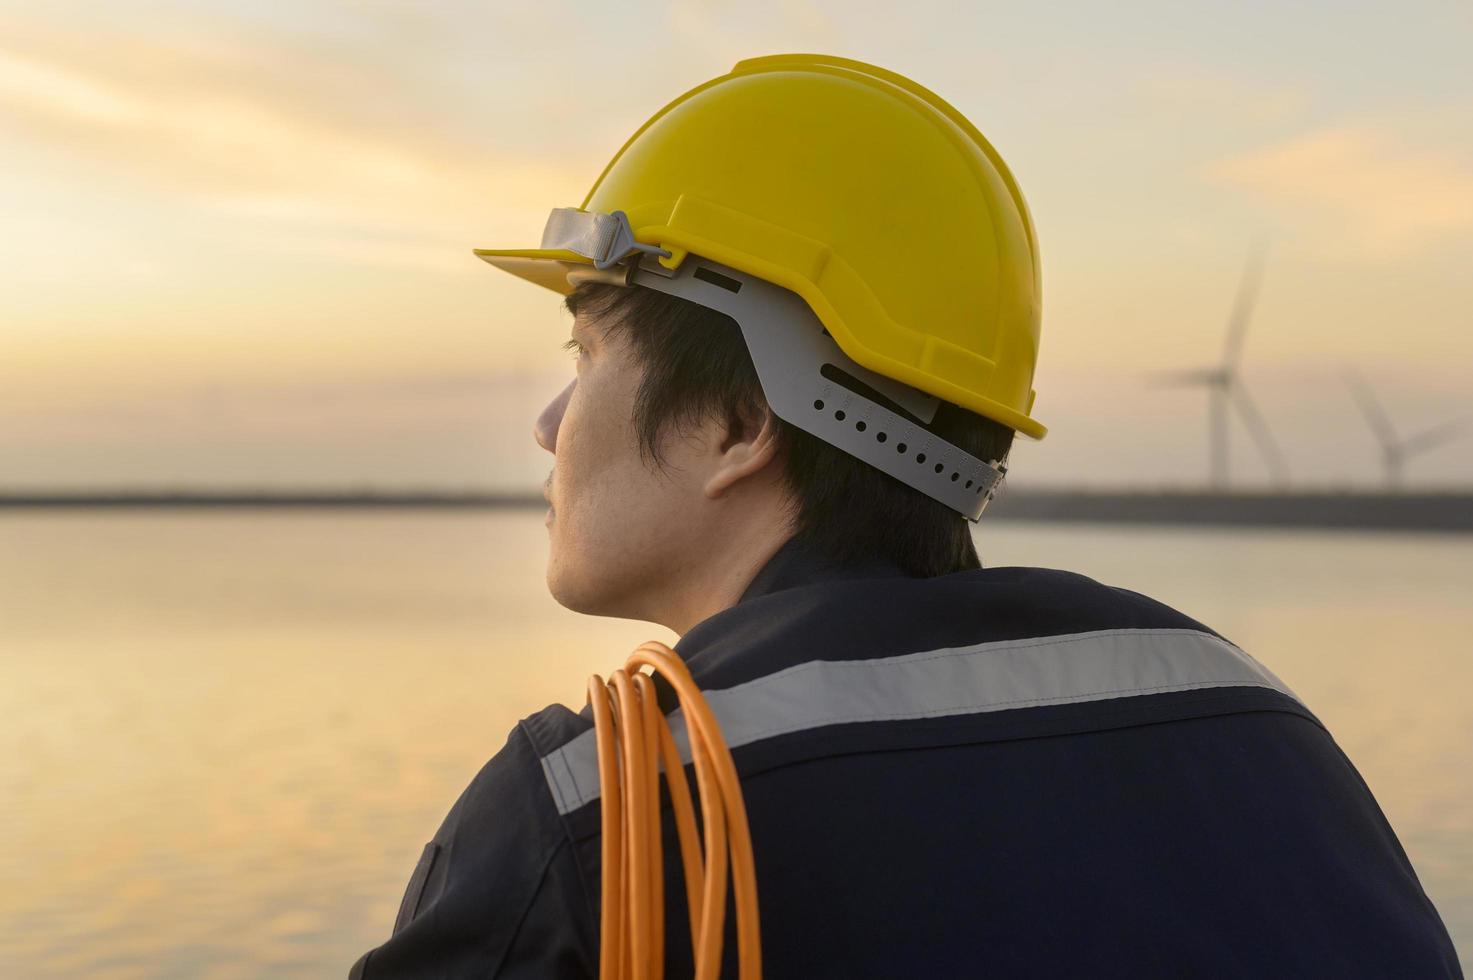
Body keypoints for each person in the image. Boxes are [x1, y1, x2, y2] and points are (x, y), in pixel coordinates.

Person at [349, 54, 1460, 978]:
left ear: (741, 418)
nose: (549, 423)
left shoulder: (593, 816)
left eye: (585, 352)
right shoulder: (1257, 729)